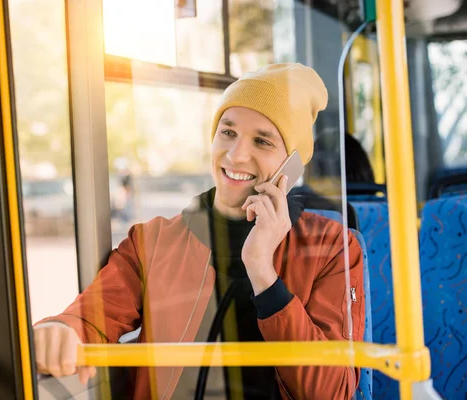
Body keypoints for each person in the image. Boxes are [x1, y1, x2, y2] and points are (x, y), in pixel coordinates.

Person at [33, 63, 365, 400]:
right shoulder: (154, 240)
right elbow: (92, 316)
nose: (236, 155)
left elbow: (331, 392)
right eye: (228, 132)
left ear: (291, 164)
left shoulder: (332, 248)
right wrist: (62, 329)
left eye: (262, 141)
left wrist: (263, 273)